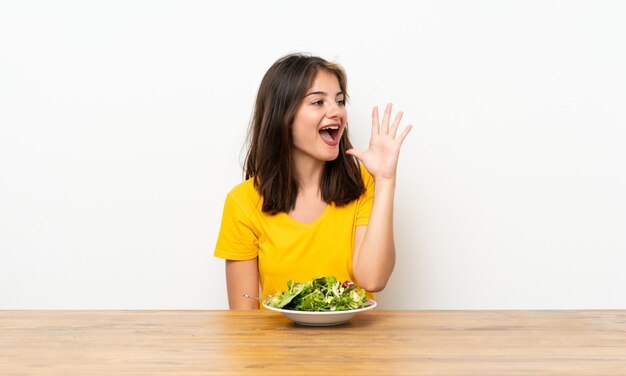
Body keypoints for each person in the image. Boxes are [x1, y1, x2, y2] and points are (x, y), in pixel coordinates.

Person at [214, 53, 412, 309]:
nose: (336, 112)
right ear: (282, 116)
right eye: (318, 102)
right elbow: (244, 320)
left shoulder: (362, 184)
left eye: (340, 101)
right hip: (279, 348)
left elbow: (372, 279)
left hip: (358, 347)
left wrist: (385, 179)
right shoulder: (242, 203)